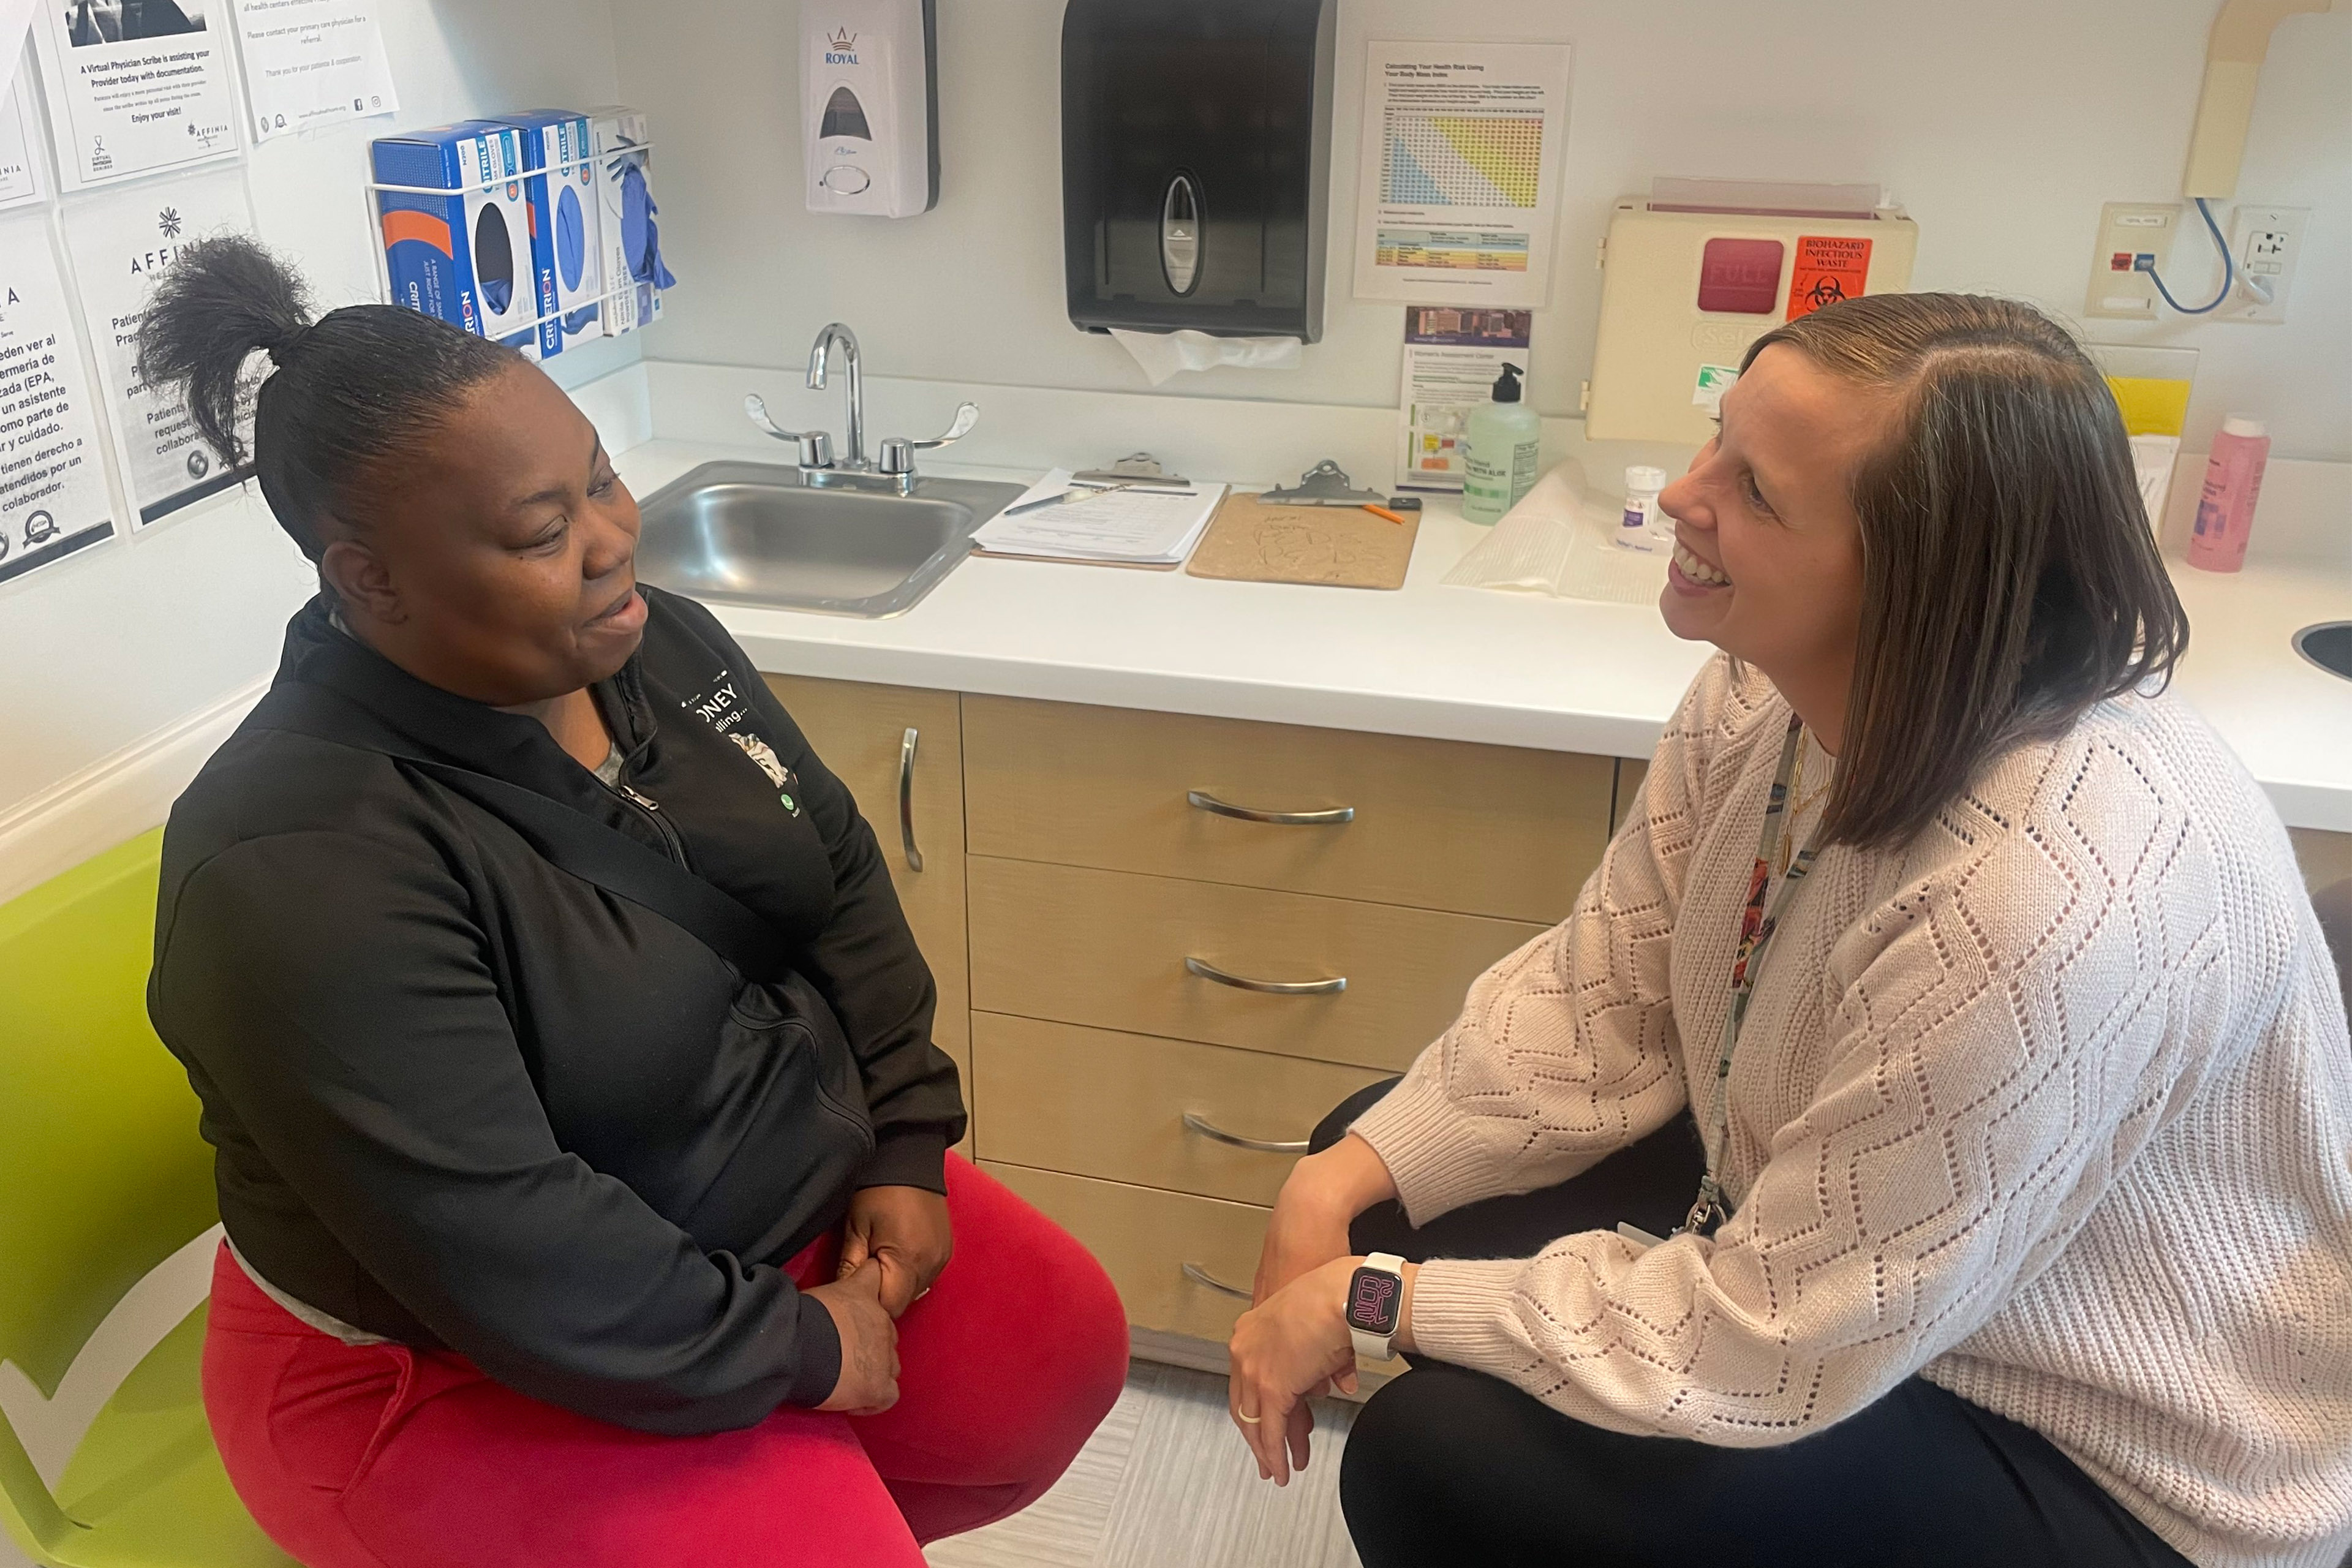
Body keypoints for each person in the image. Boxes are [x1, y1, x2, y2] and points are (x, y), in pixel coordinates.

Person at [1227, 293, 2352, 1568]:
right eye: (1715, 442)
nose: (1686, 498)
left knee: (1440, 1451)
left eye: (1756, 492)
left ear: (1918, 588)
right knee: (1375, 1177)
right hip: (1874, 1254)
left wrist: (1384, 1307)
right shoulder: (1763, 693)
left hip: (2105, 1442)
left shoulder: (2047, 895)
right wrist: (1340, 1181)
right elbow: (1607, 995)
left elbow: (1775, 1331)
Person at [140, 236, 1129, 1568]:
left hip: (746, 1205)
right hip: (447, 1348)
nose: (614, 539)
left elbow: (832, 866)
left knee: (1060, 1351)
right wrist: (799, 1347)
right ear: (368, 578)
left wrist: (902, 1131)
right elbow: (505, 1241)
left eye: (600, 478)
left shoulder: (649, 643)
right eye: (546, 532)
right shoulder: (295, 859)